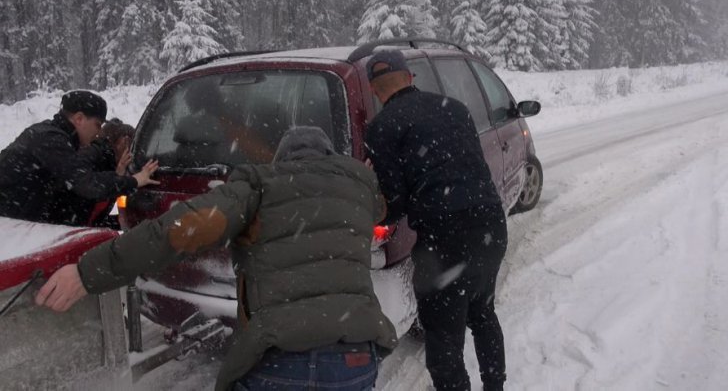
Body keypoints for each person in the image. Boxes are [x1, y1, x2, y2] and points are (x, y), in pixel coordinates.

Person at [35, 126, 398, 391]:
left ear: (280, 161)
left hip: (279, 361)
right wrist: (360, 177)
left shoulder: (258, 187)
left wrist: (87, 272)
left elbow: (173, 233)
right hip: (355, 361)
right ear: (332, 159)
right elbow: (380, 206)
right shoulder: (359, 191)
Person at [364, 50, 508, 391]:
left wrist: (370, 190)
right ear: (410, 77)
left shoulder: (382, 128)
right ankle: (495, 387)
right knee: (483, 313)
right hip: (489, 223)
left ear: (374, 90)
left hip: (444, 239)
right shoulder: (454, 108)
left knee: (443, 336)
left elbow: (394, 204)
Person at [0, 90, 159, 225]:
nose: (98, 133)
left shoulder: (52, 136)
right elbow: (85, 183)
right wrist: (135, 180)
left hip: (15, 221)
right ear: (79, 119)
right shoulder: (51, 140)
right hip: (9, 225)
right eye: (97, 124)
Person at [70, 118, 136, 227]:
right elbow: (83, 214)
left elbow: (95, 220)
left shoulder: (113, 167)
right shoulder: (95, 159)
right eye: (131, 145)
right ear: (123, 141)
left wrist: (122, 221)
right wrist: (117, 178)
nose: (132, 153)